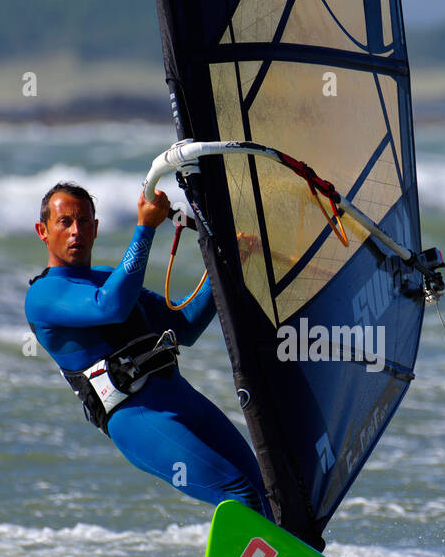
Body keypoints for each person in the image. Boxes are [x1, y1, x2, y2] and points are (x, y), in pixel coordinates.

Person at [25, 182, 271, 519]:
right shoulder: (43, 295)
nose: (75, 231)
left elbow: (185, 326)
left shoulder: (109, 277)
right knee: (239, 494)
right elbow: (109, 308)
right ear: (43, 231)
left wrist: (230, 265)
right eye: (64, 222)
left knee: (266, 491)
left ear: (96, 228)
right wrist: (145, 229)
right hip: (139, 419)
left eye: (84, 221)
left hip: (183, 398)